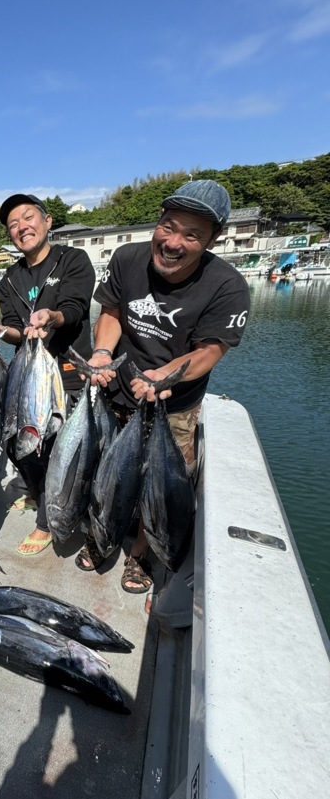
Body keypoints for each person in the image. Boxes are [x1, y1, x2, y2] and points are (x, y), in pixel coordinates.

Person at [80, 178, 250, 592]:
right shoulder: (127, 258)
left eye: (191, 235)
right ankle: (101, 536)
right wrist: (101, 353)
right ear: (158, 221)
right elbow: (111, 313)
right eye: (168, 227)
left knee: (157, 487)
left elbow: (209, 351)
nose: (173, 243)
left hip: (174, 404)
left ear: (213, 239)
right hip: (117, 393)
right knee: (106, 474)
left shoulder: (227, 286)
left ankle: (139, 554)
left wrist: (164, 376)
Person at [0, 194, 95, 555]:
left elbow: (75, 308)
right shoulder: (10, 278)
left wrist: (51, 317)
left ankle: (47, 521)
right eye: (13, 224)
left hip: (67, 371)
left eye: (28, 218)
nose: (21, 227)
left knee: (58, 452)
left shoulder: (72, 259)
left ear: (47, 220)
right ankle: (37, 493)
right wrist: (0, 330)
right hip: (28, 376)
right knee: (21, 444)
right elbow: (15, 329)